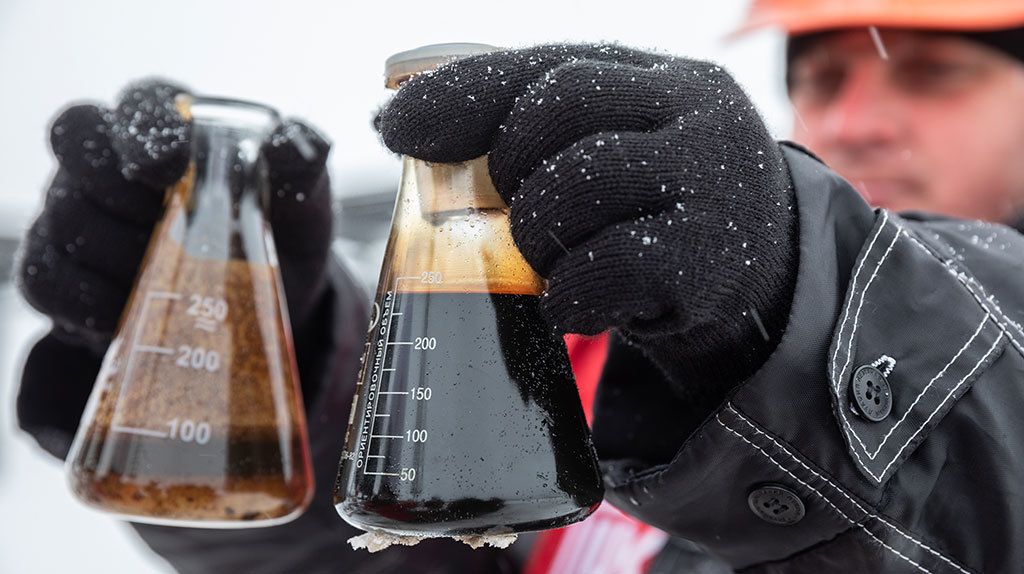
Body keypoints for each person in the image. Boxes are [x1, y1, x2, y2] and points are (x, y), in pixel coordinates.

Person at [14, 2, 1024, 573]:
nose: (850, 123)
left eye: (932, 71)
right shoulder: (605, 350)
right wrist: (267, 361)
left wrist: (808, 291)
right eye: (821, 77)